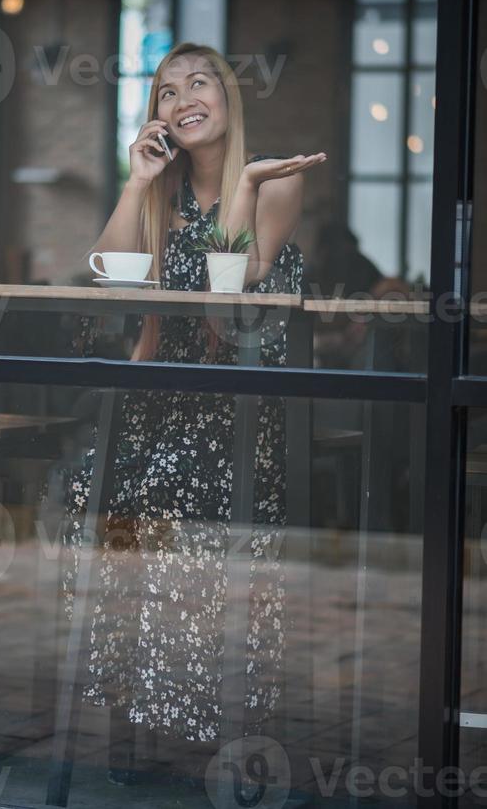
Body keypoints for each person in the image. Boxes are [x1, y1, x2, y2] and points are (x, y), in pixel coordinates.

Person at [60, 42, 326, 787]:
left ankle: (211, 710)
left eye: (198, 82)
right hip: (164, 400)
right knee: (94, 487)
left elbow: (225, 302)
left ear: (227, 97)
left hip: (240, 398)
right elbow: (113, 285)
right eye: (166, 92)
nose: (182, 99)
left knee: (181, 492)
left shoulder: (271, 180)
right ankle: (133, 698)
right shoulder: (159, 192)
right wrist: (136, 179)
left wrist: (239, 186)